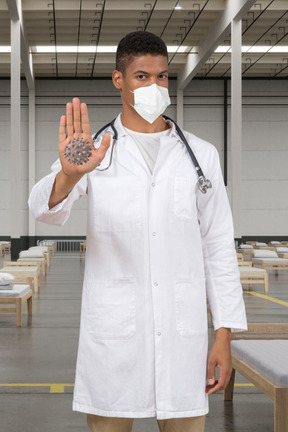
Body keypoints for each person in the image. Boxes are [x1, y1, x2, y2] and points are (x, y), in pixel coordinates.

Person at [28, 31, 247, 432]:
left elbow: (218, 246)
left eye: (162, 77)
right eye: (142, 77)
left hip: (184, 334)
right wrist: (69, 173)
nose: (154, 87)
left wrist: (224, 334)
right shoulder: (95, 150)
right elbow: (42, 208)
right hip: (115, 334)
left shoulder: (200, 155)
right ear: (119, 80)